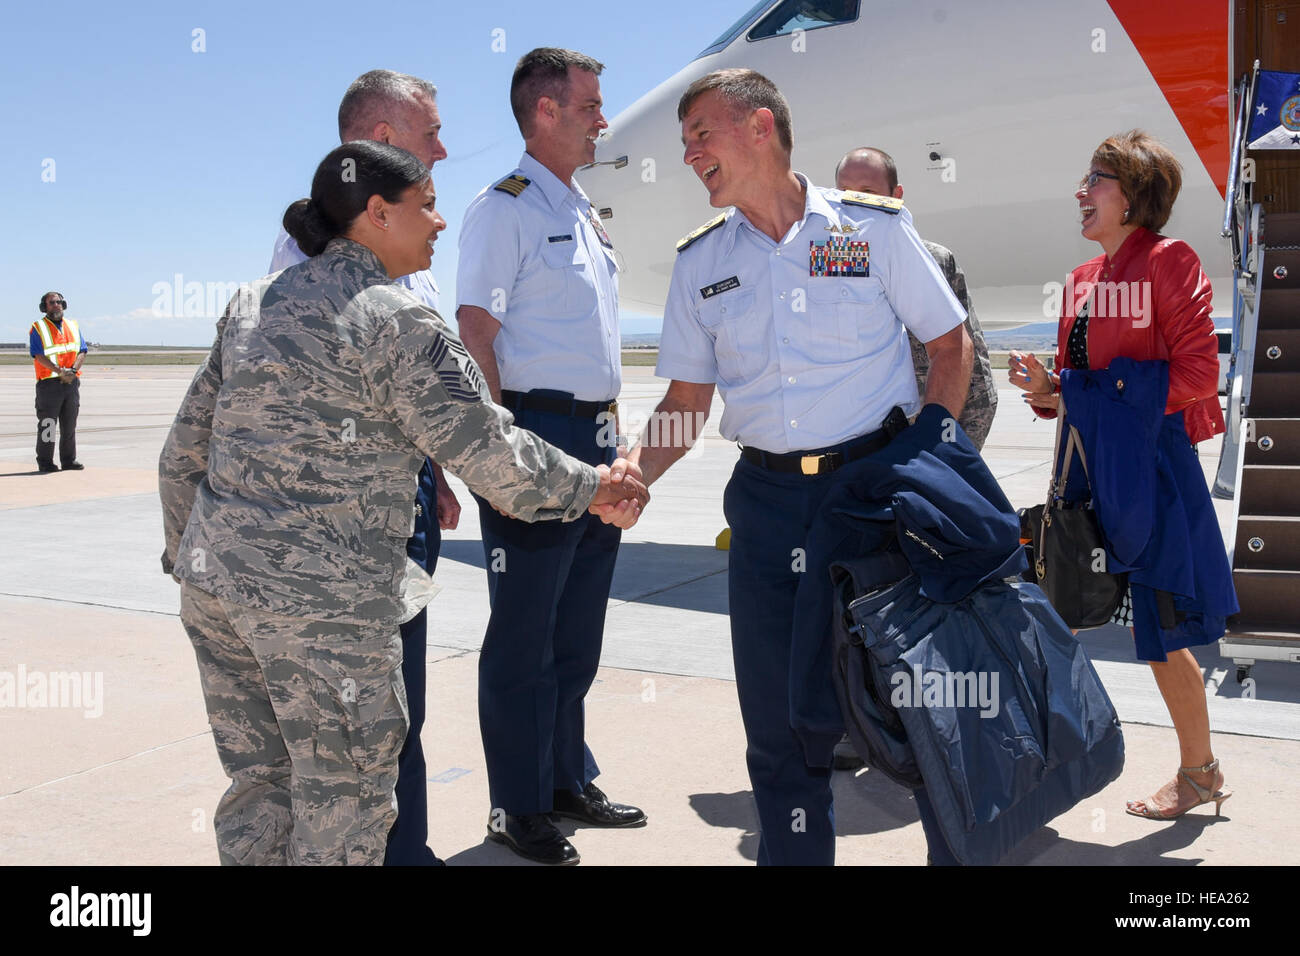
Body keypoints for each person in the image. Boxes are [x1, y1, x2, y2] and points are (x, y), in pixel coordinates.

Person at [158, 140, 647, 866]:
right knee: (343, 798)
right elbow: (493, 456)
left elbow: (181, 456)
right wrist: (595, 487)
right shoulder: (395, 321)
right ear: (378, 213)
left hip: (220, 594)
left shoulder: (253, 304)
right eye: (426, 205)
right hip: (324, 607)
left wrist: (189, 556)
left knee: (260, 785)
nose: (441, 222)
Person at [601, 69, 974, 865]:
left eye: (702, 132)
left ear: (760, 127)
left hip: (871, 494)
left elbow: (950, 345)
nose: (690, 152)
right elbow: (688, 398)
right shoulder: (702, 263)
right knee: (779, 728)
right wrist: (635, 470)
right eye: (685, 141)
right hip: (768, 507)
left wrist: (930, 459)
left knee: (917, 712)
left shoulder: (869, 230)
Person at [1009, 129, 1234, 820]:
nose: (1081, 192)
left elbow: (1199, 375)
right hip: (1085, 477)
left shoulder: (1170, 261)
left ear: (1134, 196)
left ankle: (1199, 772)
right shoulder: (1081, 281)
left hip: (1152, 472)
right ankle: (1033, 764)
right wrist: (1050, 389)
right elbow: (1079, 390)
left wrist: (1084, 393)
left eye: (1096, 179)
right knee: (1060, 613)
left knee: (1162, 633)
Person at [455, 47, 645, 867]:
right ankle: (518, 805)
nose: (604, 118)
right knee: (524, 634)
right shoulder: (505, 210)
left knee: (577, 631)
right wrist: (501, 457)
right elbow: (476, 335)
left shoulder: (583, 212)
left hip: (597, 439)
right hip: (535, 436)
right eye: (591, 105)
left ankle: (566, 779)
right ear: (545, 112)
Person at [267, 68, 459, 867]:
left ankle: (403, 851)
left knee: (400, 700)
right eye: (430, 131)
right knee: (359, 716)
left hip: (404, 488)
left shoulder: (406, 237)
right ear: (379, 143)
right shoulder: (310, 254)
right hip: (349, 512)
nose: (444, 147)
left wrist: (438, 470)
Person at [834, 147, 998, 450]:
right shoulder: (823, 269)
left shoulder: (932, 261)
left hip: (920, 452)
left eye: (868, 192)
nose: (855, 203)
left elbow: (976, 386)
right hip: (851, 455)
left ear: (896, 196)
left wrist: (950, 459)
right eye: (844, 192)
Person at [30, 292, 87, 473]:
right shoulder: (38, 327)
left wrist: (72, 370)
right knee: (48, 425)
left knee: (69, 424)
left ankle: (68, 460)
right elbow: (38, 355)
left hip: (71, 383)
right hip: (49, 384)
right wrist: (59, 371)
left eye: (59, 302)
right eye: (52, 303)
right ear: (44, 307)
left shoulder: (73, 325)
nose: (57, 305)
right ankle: (46, 461)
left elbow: (82, 350)